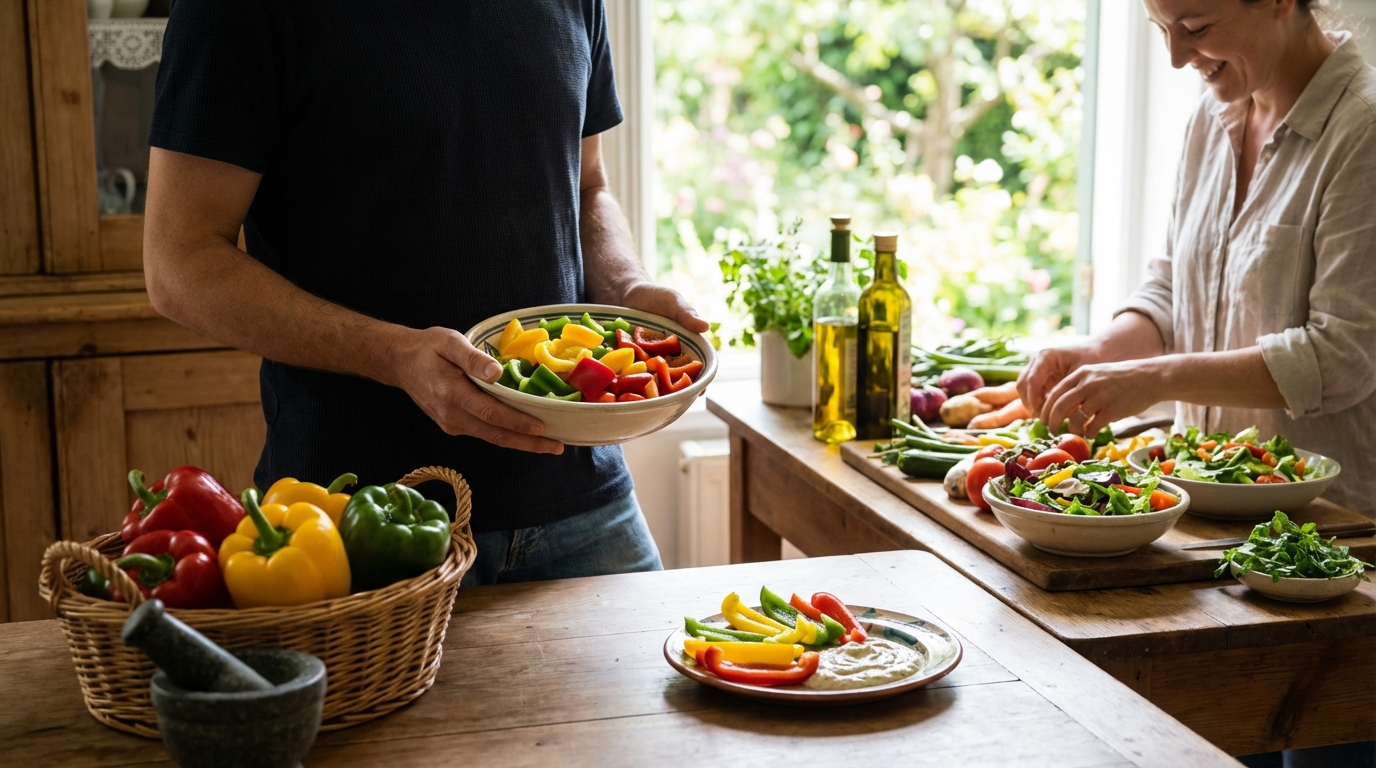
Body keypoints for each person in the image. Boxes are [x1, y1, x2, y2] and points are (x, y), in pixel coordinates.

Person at [141, 0, 709, 586]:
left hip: (585, 504)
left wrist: (627, 284)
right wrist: (395, 354)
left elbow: (587, 184)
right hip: (356, 520)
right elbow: (178, 262)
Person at [1018, 0, 1376, 524]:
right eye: (1161, 29)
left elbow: (1341, 357)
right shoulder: (1211, 116)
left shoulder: (1363, 131)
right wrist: (1100, 353)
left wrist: (1156, 378)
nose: (1175, 57)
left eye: (1195, 28)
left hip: (1323, 538)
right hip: (1200, 513)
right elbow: (1173, 290)